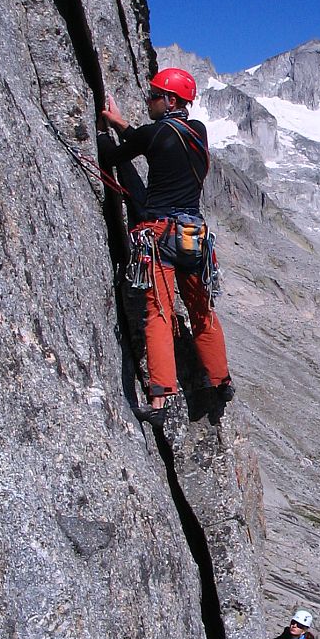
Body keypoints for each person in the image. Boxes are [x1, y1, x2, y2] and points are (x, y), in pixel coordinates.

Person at [98, 68, 233, 426]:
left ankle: (159, 400)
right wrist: (125, 125)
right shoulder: (198, 132)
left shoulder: (154, 133)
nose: (149, 100)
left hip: (158, 235)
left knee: (158, 312)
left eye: (154, 95)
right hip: (193, 235)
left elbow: (117, 155)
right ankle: (220, 381)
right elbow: (149, 139)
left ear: (169, 100)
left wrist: (104, 133)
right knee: (202, 311)